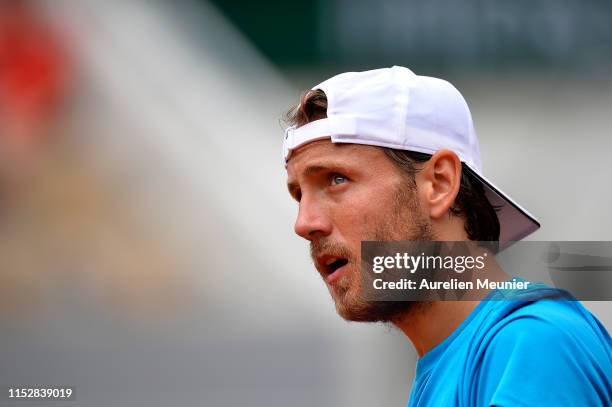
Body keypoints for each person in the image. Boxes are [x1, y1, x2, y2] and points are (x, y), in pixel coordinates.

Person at [282, 66, 611, 406]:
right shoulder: (460, 363)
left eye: (337, 179)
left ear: (439, 184)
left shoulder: (532, 342)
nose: (304, 223)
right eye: (298, 195)